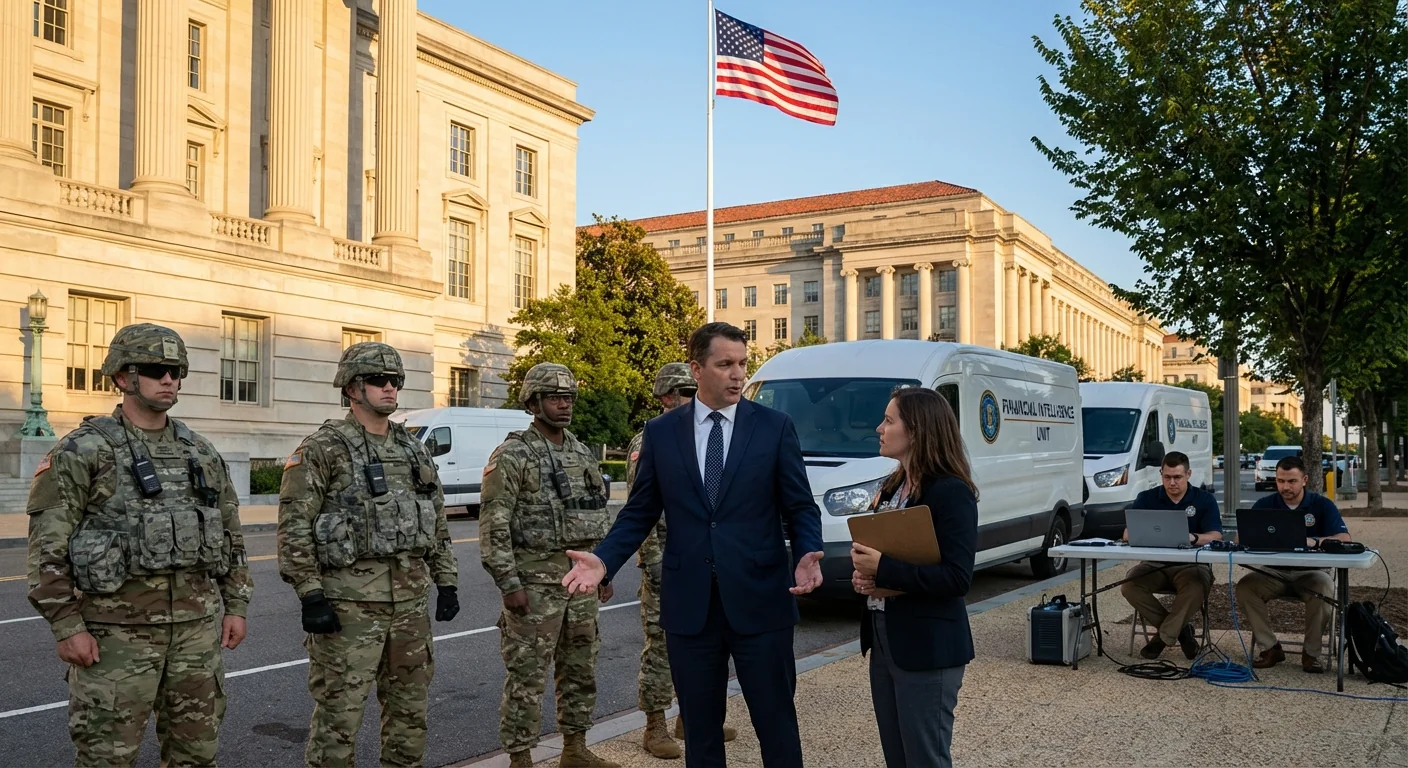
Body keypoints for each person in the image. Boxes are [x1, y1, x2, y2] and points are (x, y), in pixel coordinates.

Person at [562, 322, 825, 768]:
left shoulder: (774, 427)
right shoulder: (662, 434)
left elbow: (800, 506)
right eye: (725, 364)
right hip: (691, 607)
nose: (737, 374)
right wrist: (604, 561)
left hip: (761, 601)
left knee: (776, 723)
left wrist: (806, 553)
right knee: (701, 732)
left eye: (743, 364)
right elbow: (640, 512)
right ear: (696, 368)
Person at [26, 323, 252, 767]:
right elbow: (47, 549)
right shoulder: (83, 451)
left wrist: (237, 605)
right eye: (155, 369)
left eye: (176, 370)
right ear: (123, 377)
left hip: (195, 635)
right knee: (106, 757)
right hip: (116, 639)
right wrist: (67, 626)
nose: (169, 380)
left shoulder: (199, 452)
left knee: (196, 754)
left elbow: (230, 535)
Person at [277, 342, 459, 766]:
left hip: (410, 607)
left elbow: (435, 520)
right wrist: (310, 593)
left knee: (410, 715)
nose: (390, 388)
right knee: (340, 718)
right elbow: (294, 527)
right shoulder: (323, 448)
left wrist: (446, 581)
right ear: (352, 388)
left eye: (395, 380)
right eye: (379, 380)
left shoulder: (413, 449)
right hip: (349, 608)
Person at [480, 363, 618, 768]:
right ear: (533, 403)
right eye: (555, 397)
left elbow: (596, 513)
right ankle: (520, 757)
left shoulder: (579, 452)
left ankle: (574, 749)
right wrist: (508, 583)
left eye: (569, 397)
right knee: (527, 676)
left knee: (580, 668)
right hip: (534, 584)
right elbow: (493, 525)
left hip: (580, 583)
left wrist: (604, 569)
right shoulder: (513, 454)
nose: (564, 404)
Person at [849, 387, 976, 768]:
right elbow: (890, 558)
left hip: (928, 645)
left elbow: (957, 578)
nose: (879, 428)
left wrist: (883, 568)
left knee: (925, 758)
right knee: (898, 757)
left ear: (918, 430)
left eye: (889, 420)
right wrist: (866, 581)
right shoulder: (890, 487)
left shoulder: (951, 492)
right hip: (886, 637)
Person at [627, 363, 737, 759]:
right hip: (666, 565)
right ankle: (654, 723)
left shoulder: (706, 432)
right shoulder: (652, 439)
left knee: (710, 643)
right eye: (683, 393)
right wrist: (654, 566)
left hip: (706, 564)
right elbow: (644, 512)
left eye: (693, 392)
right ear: (665, 398)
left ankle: (691, 718)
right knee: (660, 646)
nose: (690, 400)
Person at [1236, 455, 1351, 673]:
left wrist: (1314, 542)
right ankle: (1270, 648)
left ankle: (1311, 653)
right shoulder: (1265, 504)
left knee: (1325, 587)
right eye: (1280, 481)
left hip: (1311, 573)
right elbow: (1240, 539)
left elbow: (1345, 539)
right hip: (1272, 573)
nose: (1285, 487)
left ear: (1305, 480)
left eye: (1292, 481)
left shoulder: (1322, 505)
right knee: (1245, 587)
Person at [1119, 451, 1222, 660]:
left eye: (1177, 477)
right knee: (1129, 585)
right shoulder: (1147, 498)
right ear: (1161, 475)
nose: (1172, 482)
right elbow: (1127, 534)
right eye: (1167, 477)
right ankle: (1182, 632)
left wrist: (1193, 538)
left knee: (1197, 586)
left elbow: (1216, 536)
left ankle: (1162, 639)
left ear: (1188, 474)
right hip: (1154, 564)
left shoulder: (1204, 500)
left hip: (1192, 564)